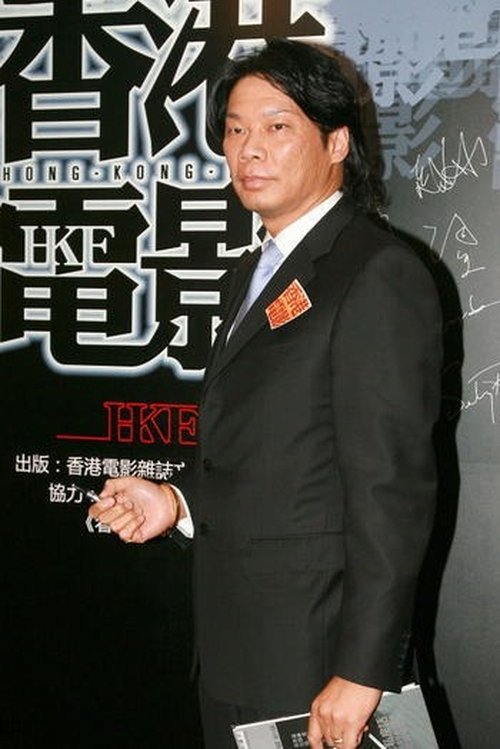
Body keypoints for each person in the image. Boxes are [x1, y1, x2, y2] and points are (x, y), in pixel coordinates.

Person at [89, 38, 442, 749]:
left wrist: (362, 670)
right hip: (238, 652)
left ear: (336, 142)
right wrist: (178, 501)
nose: (249, 149)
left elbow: (391, 490)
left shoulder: (374, 273)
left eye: (278, 126)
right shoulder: (254, 272)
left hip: (318, 667)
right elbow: (276, 454)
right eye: (234, 129)